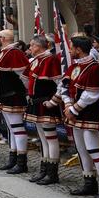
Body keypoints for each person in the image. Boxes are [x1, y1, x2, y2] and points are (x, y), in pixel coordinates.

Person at [59, 35, 99, 198]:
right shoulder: (74, 66)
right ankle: (89, 183)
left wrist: (74, 109)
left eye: (72, 47)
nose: (70, 50)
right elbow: (64, 86)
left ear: (79, 49)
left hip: (89, 113)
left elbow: (92, 94)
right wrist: (68, 104)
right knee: (81, 150)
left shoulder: (94, 68)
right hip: (74, 113)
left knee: (94, 150)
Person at [0, 29, 31, 173]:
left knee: (17, 128)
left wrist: (24, 91)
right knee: (11, 128)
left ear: (5, 38)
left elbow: (24, 76)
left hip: (14, 96)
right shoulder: (4, 53)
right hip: (5, 96)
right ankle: (12, 158)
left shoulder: (14, 53)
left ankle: (21, 161)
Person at [24, 35, 62, 185]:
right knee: (42, 138)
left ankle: (52, 172)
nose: (30, 49)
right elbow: (26, 79)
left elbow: (60, 83)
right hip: (37, 102)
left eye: (32, 46)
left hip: (46, 102)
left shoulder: (50, 60)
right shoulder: (36, 61)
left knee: (50, 137)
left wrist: (54, 100)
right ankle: (44, 168)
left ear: (39, 46)